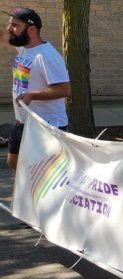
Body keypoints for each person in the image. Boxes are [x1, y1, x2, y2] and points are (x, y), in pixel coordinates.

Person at [2, 7, 70, 171]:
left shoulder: (46, 56)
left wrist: (32, 95)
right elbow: (3, 36)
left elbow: (64, 90)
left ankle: (38, 196)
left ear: (31, 30)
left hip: (47, 126)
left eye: (15, 25)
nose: (9, 28)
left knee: (42, 172)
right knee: (14, 162)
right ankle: (28, 194)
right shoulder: (25, 48)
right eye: (10, 24)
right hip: (24, 122)